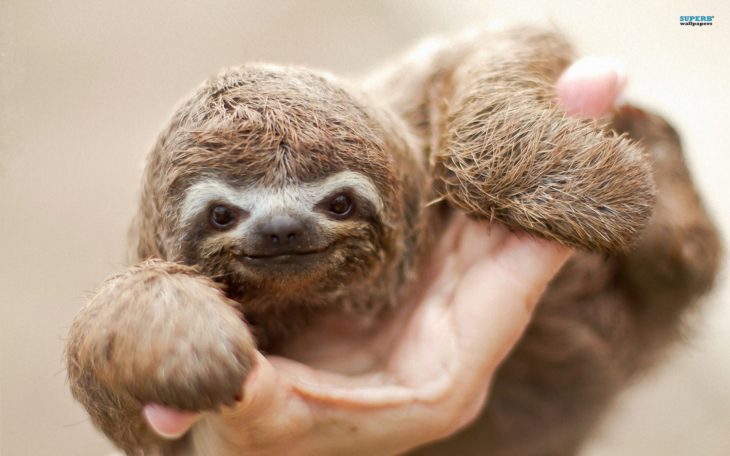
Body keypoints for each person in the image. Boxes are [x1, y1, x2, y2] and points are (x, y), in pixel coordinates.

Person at [142, 57, 627, 455]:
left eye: (338, 205)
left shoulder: (419, 106)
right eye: (225, 215)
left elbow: (502, 45)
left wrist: (500, 158)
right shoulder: (162, 301)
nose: (282, 228)